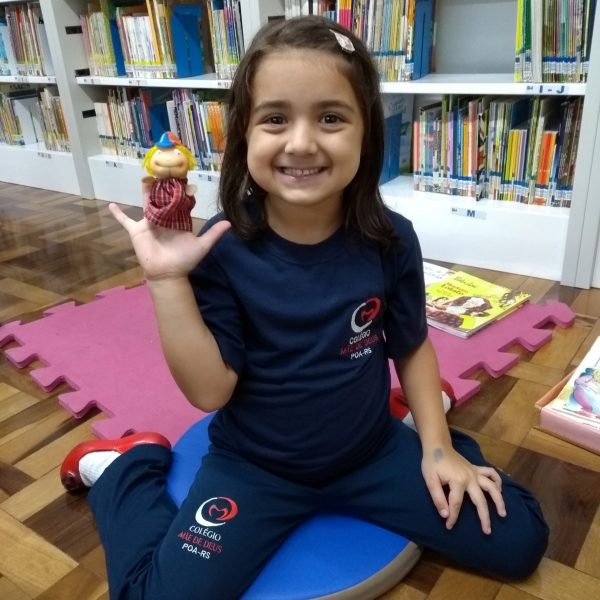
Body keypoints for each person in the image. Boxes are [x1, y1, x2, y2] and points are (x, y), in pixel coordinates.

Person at [60, 16, 549, 599]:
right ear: (244, 133)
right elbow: (210, 393)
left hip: (369, 452)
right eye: (275, 119)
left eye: (331, 118)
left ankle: (412, 416)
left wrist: (439, 449)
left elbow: (410, 344)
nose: (300, 143)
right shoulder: (221, 247)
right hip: (254, 470)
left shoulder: (391, 238)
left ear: (367, 133)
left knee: (520, 539)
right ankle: (126, 466)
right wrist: (167, 278)